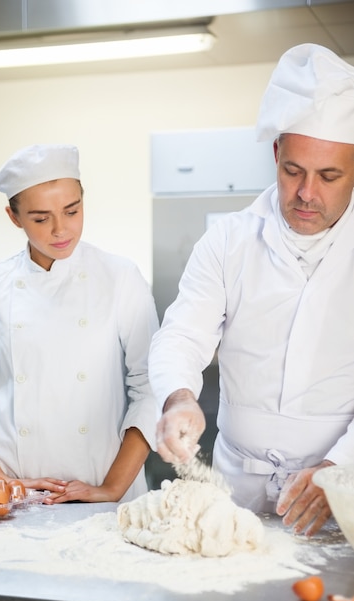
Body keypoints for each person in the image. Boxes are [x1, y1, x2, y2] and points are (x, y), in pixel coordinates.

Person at [148, 43, 354, 536]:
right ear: (276, 154)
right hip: (235, 492)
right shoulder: (229, 239)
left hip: (341, 490)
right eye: (293, 171)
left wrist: (341, 470)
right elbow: (182, 333)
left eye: (329, 176)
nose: (307, 193)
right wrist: (178, 396)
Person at [0, 143, 159, 504]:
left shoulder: (120, 277)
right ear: (14, 217)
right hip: (14, 497)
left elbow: (151, 385)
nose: (61, 230)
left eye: (72, 211)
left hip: (105, 494)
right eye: (41, 218)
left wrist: (112, 488)